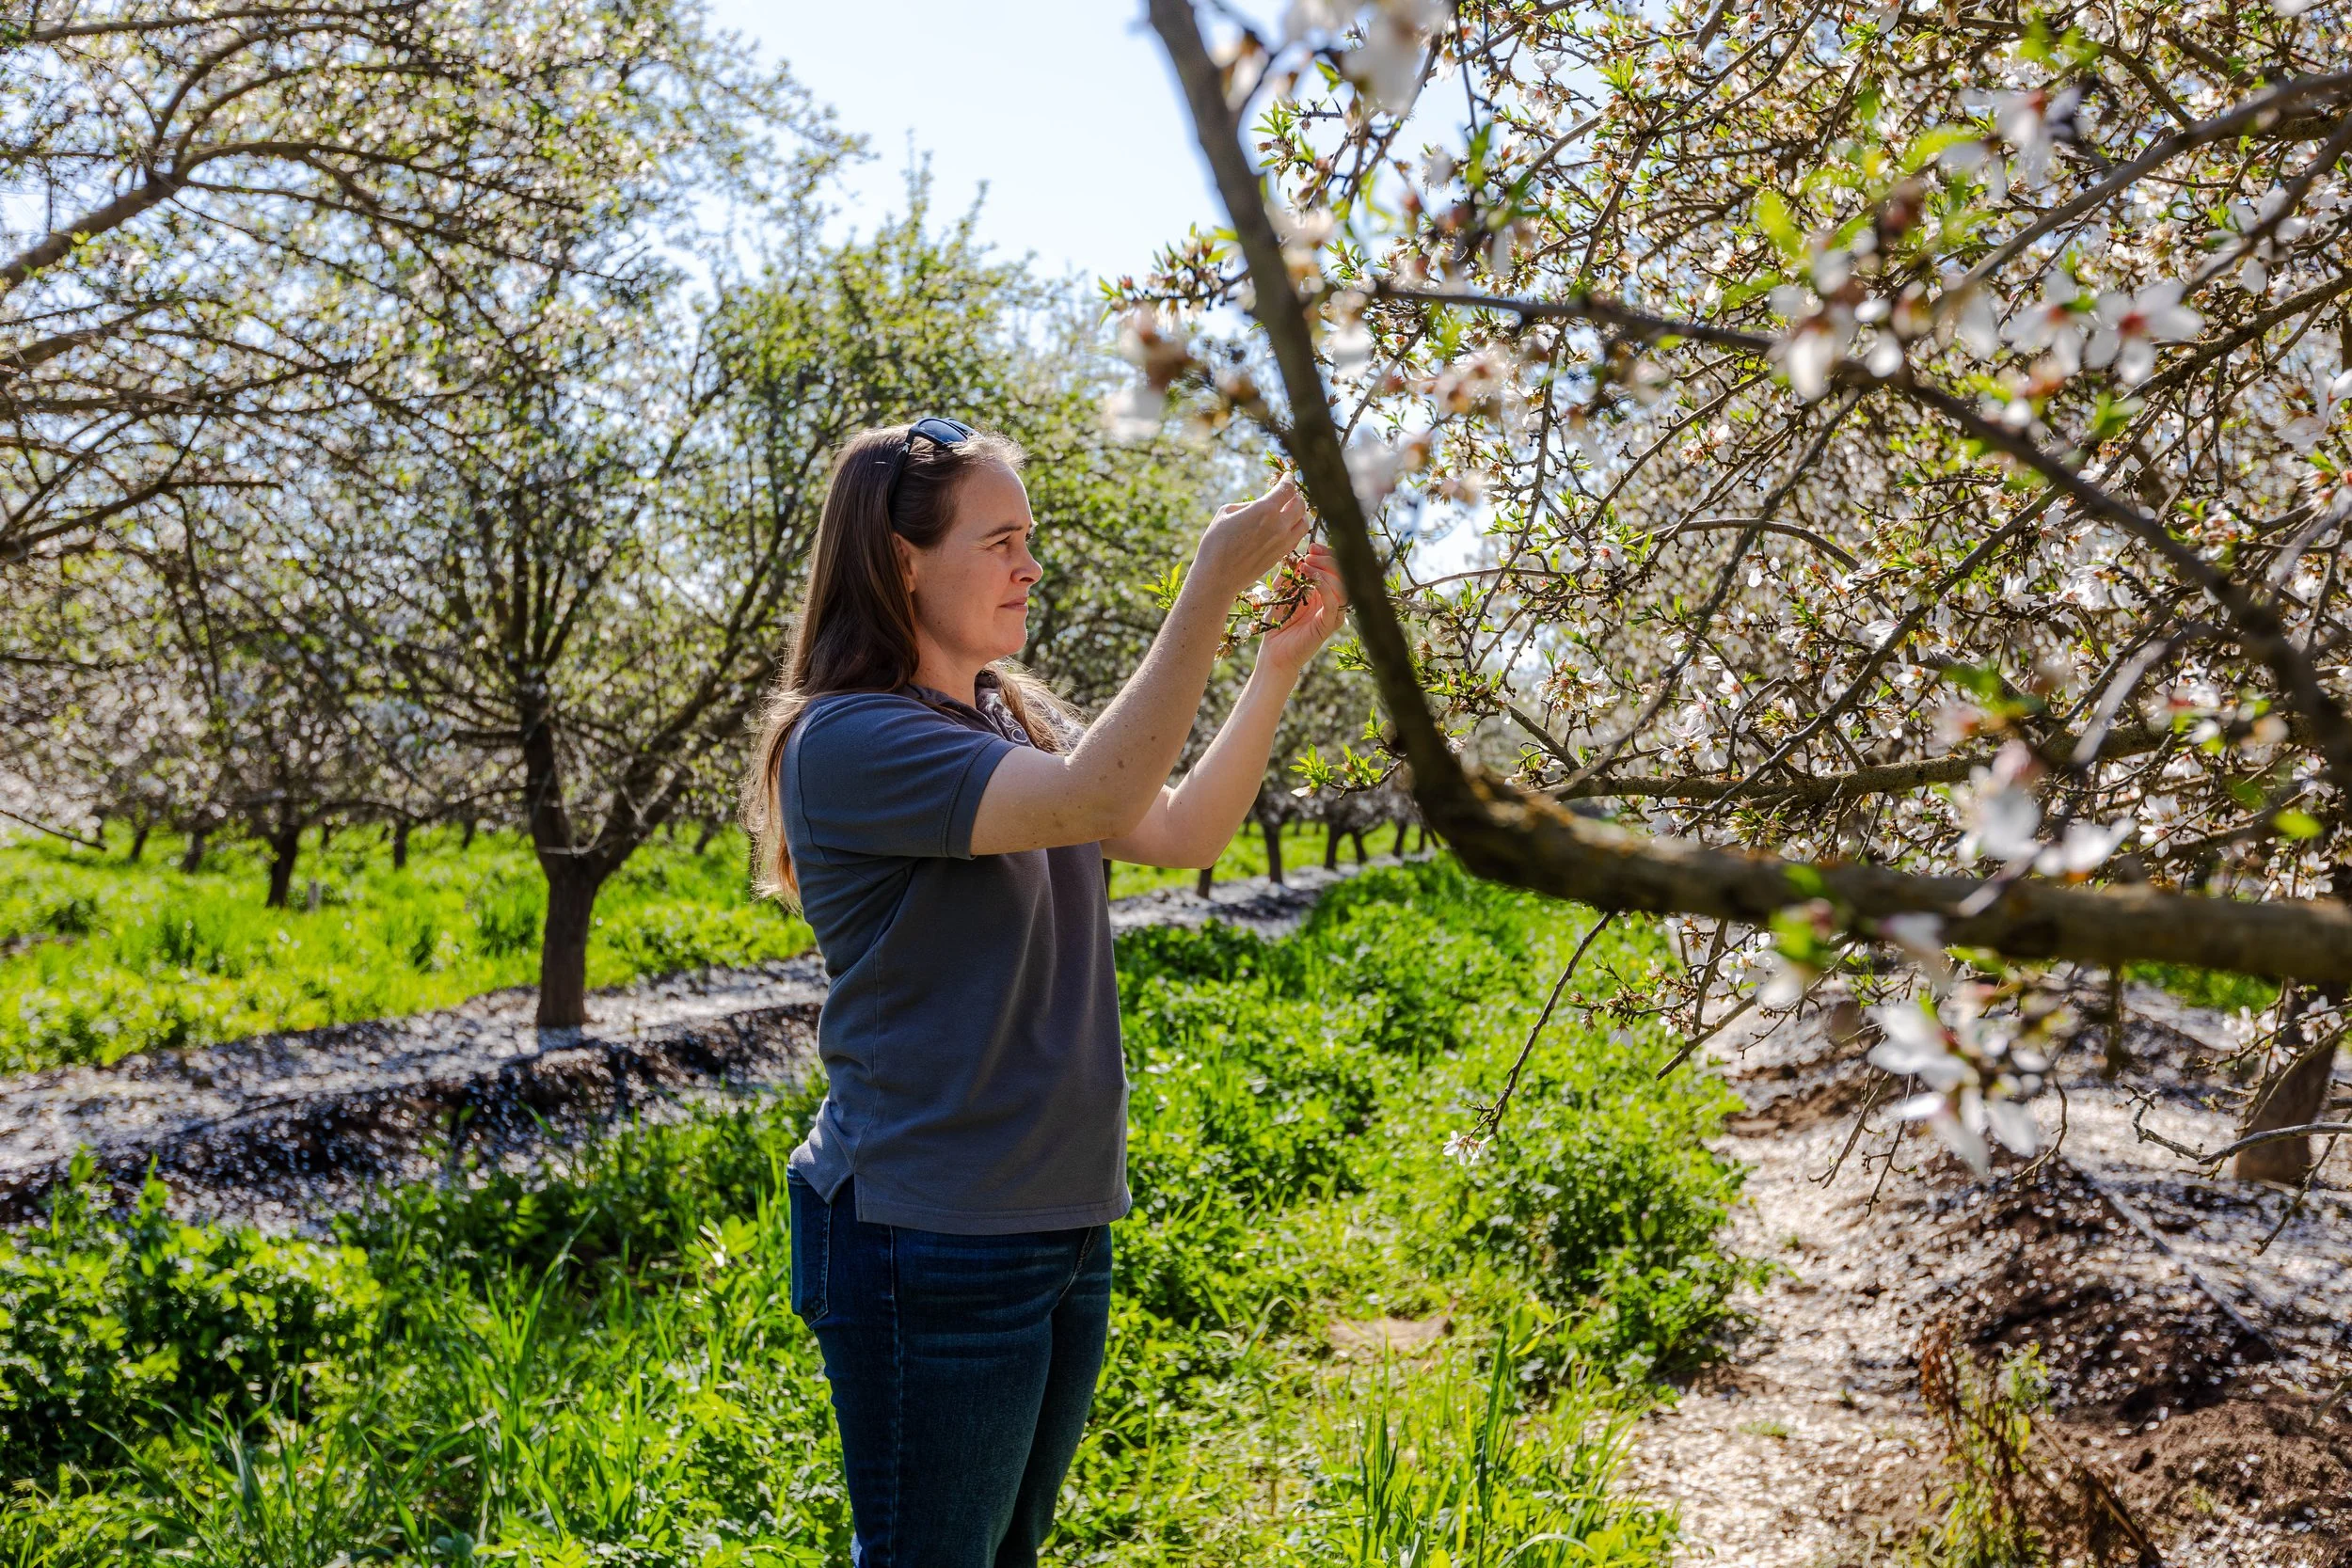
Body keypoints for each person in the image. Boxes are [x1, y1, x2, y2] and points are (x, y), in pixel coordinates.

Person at [739, 417, 1345, 1566]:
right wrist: (1209, 585)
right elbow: (1092, 793)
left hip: (1055, 1218)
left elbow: (1177, 823)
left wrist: (1274, 666)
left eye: (1032, 538)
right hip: (930, 1227)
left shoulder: (1007, 708)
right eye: (1001, 539)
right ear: (901, 559)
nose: (1030, 565)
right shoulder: (851, 739)